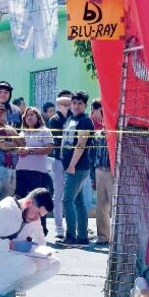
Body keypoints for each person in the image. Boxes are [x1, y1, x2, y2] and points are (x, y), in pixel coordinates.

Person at [0, 188, 60, 297]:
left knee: (53, 264)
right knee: (27, 265)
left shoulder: (32, 216)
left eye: (40, 216)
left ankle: (6, 292)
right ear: (28, 203)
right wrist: (12, 245)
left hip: (9, 258)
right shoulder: (3, 210)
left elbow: (41, 241)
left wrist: (43, 253)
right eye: (36, 213)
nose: (36, 218)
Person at [60, 91, 95, 246]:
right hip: (70, 166)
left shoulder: (85, 121)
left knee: (67, 200)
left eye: (80, 103)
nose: (76, 105)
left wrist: (72, 165)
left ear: (85, 105)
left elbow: (81, 144)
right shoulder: (70, 119)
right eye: (74, 102)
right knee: (79, 203)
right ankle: (82, 237)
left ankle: (71, 236)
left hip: (78, 167)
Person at [15, 106, 54, 234]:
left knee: (38, 202)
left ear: (38, 117)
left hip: (38, 173)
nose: (29, 117)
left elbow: (49, 149)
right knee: (20, 201)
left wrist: (30, 151)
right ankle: (20, 229)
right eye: (27, 116)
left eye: (32, 115)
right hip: (21, 172)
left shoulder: (44, 131)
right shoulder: (21, 134)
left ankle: (41, 230)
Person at [0, 102, 24, 205]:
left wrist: (13, 134)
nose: (0, 114)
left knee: (7, 203)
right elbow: (4, 146)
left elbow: (22, 143)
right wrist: (14, 143)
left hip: (12, 169)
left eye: (2, 112)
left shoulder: (10, 129)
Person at [46, 90, 72, 238]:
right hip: (58, 160)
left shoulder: (73, 118)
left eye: (69, 102)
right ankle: (59, 228)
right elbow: (59, 140)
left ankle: (71, 226)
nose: (67, 105)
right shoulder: (55, 119)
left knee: (71, 196)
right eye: (65, 103)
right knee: (58, 195)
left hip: (72, 160)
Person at [90, 99, 112, 245]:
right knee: (100, 205)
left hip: (112, 172)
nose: (92, 113)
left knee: (115, 205)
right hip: (99, 170)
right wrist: (93, 177)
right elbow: (92, 157)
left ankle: (117, 237)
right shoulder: (98, 134)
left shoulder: (115, 131)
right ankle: (103, 236)